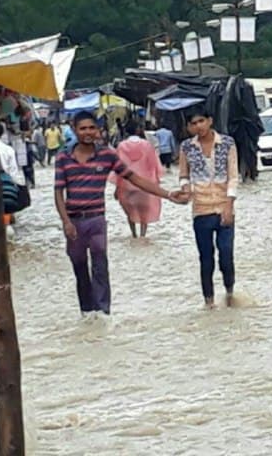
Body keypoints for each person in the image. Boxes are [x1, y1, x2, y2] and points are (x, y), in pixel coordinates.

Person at [55, 111, 184, 316]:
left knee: (100, 264)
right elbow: (58, 192)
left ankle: (103, 313)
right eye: (83, 128)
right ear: (74, 130)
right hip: (74, 221)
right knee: (80, 267)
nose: (88, 132)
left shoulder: (107, 155)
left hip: (97, 219)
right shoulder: (63, 157)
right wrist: (65, 221)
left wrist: (168, 194)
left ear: (98, 130)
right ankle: (87, 312)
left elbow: (135, 178)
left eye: (91, 128)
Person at [179, 106, 239, 308]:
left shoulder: (228, 143)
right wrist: (185, 188)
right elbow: (183, 174)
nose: (198, 126)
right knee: (206, 259)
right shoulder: (187, 147)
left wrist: (229, 205)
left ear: (210, 120)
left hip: (224, 206)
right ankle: (209, 302)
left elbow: (233, 176)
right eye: (193, 123)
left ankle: (230, 294)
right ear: (188, 127)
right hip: (201, 209)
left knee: (226, 255)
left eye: (201, 121)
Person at [113, 121, 164, 239]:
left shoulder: (121, 146)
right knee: (144, 211)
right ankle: (143, 236)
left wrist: (117, 188)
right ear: (138, 130)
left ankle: (134, 235)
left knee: (130, 212)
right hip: (144, 184)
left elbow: (118, 169)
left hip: (127, 184)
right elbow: (153, 166)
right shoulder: (147, 145)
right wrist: (155, 184)